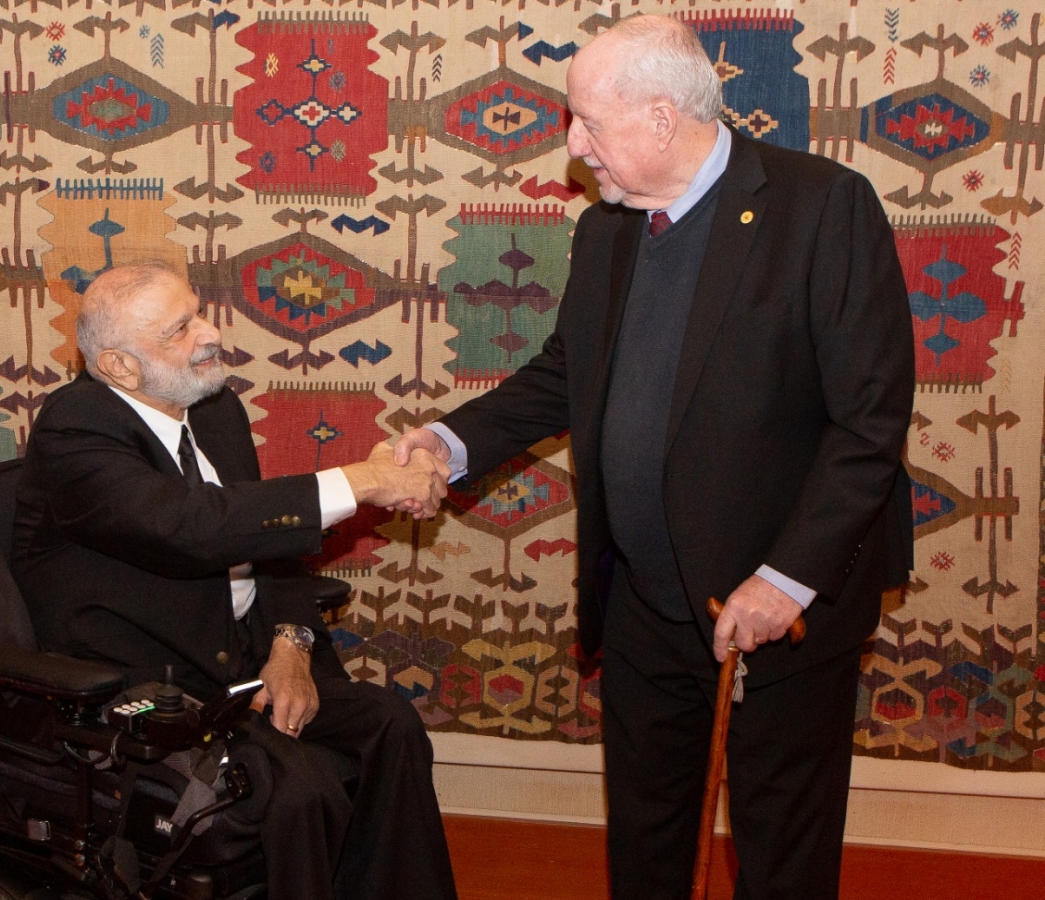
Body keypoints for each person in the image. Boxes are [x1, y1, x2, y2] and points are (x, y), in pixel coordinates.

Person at [391, 16, 914, 900]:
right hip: (642, 601)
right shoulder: (609, 229)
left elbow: (869, 424)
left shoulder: (821, 206)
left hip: (777, 613)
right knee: (646, 837)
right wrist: (449, 441)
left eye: (589, 123)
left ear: (663, 118)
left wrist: (785, 579)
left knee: (781, 845)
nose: (572, 145)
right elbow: (566, 375)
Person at [12, 262, 458, 900]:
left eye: (197, 312)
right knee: (298, 786)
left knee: (388, 722)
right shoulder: (74, 430)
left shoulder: (212, 408)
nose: (209, 333)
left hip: (244, 659)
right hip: (149, 688)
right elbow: (191, 527)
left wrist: (292, 645)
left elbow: (263, 541)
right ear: (119, 367)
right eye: (179, 330)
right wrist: (364, 481)